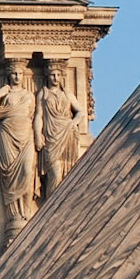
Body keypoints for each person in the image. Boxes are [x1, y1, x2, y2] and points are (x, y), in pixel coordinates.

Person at [0, 63, 39, 232]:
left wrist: (39, 136)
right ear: (9, 75)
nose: (17, 76)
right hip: (7, 134)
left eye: (19, 73)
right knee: (9, 177)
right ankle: (14, 216)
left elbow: (33, 116)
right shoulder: (4, 94)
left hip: (26, 135)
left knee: (28, 172)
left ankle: (27, 213)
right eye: (14, 73)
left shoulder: (29, 95)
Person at [37, 65, 88, 196]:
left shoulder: (67, 94)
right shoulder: (43, 94)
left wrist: (72, 123)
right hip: (51, 135)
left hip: (67, 134)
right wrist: (37, 134)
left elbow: (81, 112)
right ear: (47, 76)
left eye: (58, 75)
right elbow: (38, 115)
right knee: (55, 172)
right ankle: (51, 203)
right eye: (52, 75)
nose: (55, 78)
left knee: (66, 171)